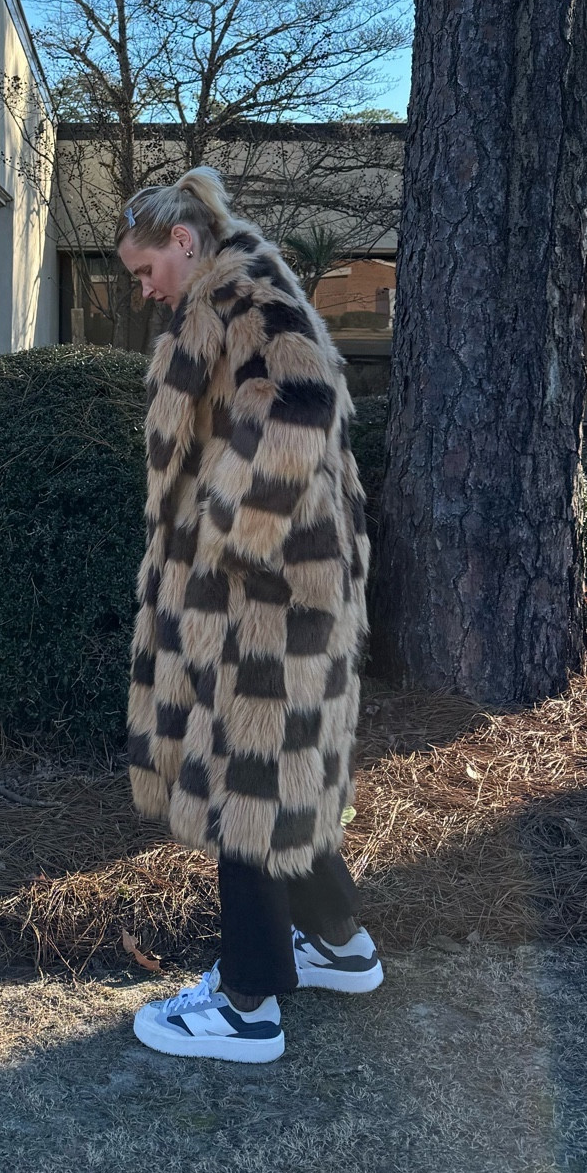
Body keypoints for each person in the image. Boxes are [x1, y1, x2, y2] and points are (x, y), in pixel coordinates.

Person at [118, 167, 382, 1064]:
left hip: (264, 592)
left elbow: (300, 406)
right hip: (280, 587)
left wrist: (225, 534)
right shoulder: (230, 298)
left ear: (182, 242)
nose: (143, 287)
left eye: (146, 269)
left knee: (246, 782)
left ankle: (247, 1004)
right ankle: (340, 945)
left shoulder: (245, 299)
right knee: (277, 774)